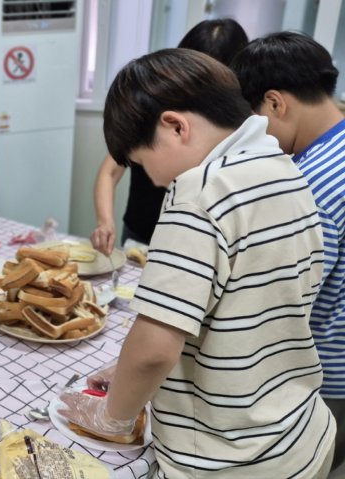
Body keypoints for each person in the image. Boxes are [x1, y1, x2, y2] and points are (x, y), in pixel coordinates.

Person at [59, 49, 335, 477]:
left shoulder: (199, 192)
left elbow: (154, 350)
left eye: (142, 162)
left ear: (175, 125)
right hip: (301, 438)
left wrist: (113, 415)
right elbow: (243, 314)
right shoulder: (284, 168)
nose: (153, 180)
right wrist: (129, 374)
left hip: (229, 461)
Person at [231, 31, 345, 475]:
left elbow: (287, 299)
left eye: (254, 119)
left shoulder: (312, 184)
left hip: (324, 375)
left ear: (275, 102)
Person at [90, 18, 248, 255]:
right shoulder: (150, 107)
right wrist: (105, 223)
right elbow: (110, 170)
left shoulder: (234, 134)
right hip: (141, 229)